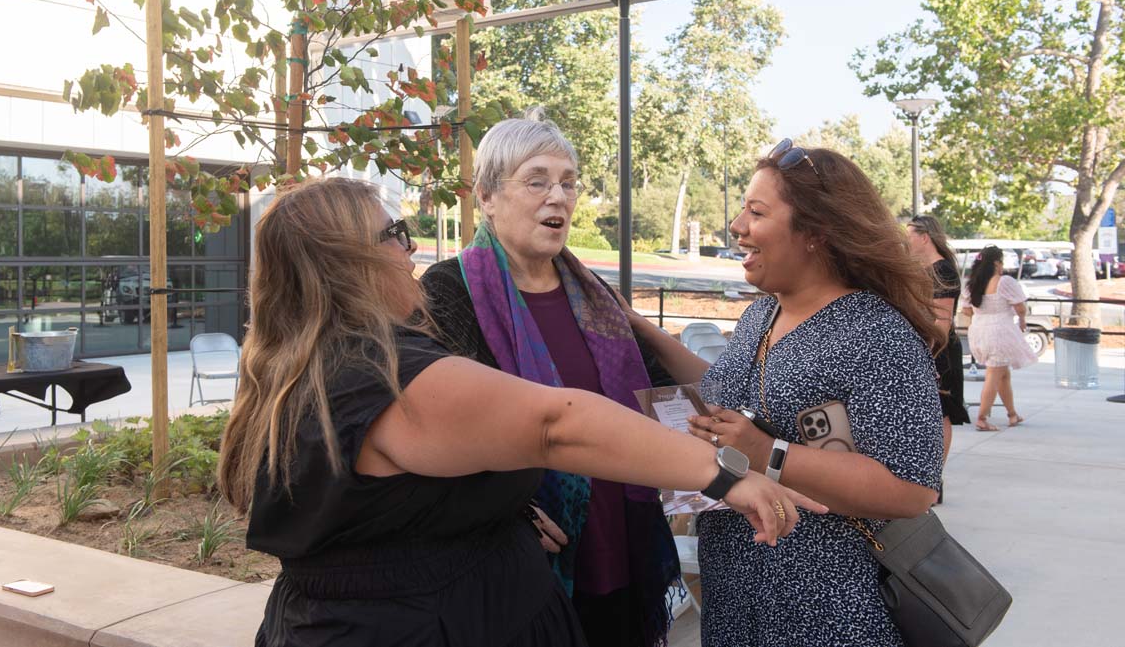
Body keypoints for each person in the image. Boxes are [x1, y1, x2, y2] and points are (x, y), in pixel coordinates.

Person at [216, 177, 824, 647]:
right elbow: (553, 424)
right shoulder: (381, 371)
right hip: (430, 625)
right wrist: (726, 475)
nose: (407, 250)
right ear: (348, 259)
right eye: (393, 232)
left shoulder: (296, 365)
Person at [620, 140, 945, 647]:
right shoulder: (764, 313)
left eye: (756, 212)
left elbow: (911, 490)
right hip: (736, 592)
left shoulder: (875, 335)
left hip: (827, 608)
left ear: (815, 232)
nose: (736, 226)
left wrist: (765, 453)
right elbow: (722, 389)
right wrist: (636, 326)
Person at [420, 117, 681, 647]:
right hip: (528, 550)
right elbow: (439, 424)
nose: (557, 197)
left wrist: (711, 451)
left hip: (620, 533)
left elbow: (654, 394)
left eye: (568, 182)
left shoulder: (595, 294)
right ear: (488, 197)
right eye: (536, 181)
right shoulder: (451, 289)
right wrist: (507, 507)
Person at [906, 214, 970, 470]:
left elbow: (941, 321)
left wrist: (927, 355)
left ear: (924, 237)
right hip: (927, 346)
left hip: (939, 350)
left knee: (940, 413)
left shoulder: (942, 269)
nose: (905, 240)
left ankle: (935, 477)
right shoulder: (922, 270)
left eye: (909, 235)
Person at [961, 245, 1033, 430]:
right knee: (994, 374)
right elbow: (1020, 307)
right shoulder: (1004, 281)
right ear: (996, 262)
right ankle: (982, 418)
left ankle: (1012, 414)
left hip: (979, 330)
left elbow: (966, 310)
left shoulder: (972, 283)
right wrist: (1022, 319)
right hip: (1000, 331)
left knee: (1002, 374)